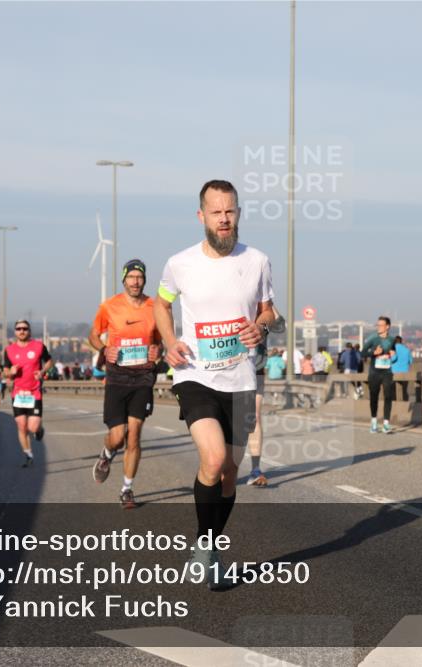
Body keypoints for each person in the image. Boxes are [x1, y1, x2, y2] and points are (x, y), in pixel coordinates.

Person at [154, 179, 275, 589]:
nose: (224, 219)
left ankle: (208, 547)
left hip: (240, 379)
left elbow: (269, 311)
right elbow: (161, 303)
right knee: (213, 458)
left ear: (238, 213)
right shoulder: (179, 263)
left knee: (229, 473)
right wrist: (170, 342)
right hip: (195, 375)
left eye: (231, 211)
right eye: (216, 212)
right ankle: (207, 548)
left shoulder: (257, 260)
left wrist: (260, 327)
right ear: (201, 216)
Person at [89, 259, 162, 509]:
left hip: (143, 378)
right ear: (124, 279)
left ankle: (126, 490)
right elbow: (93, 335)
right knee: (117, 437)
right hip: (117, 378)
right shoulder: (109, 306)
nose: (135, 281)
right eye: (131, 277)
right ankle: (106, 454)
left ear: (144, 280)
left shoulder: (155, 306)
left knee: (135, 437)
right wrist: (104, 348)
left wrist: (157, 351)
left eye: (139, 277)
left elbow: (161, 340)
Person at [4, 319, 54, 467]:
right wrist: (10, 372)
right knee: (21, 425)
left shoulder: (38, 346)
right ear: (15, 332)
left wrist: (43, 371)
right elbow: (6, 370)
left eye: (25, 328)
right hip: (18, 393)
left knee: (32, 427)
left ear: (29, 331)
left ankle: (39, 429)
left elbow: (49, 361)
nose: (22, 331)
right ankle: (28, 454)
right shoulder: (9, 350)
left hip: (34, 392)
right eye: (18, 328)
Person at [248, 308, 286, 488]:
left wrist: (268, 306)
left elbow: (280, 326)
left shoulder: (263, 308)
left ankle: (255, 469)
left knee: (254, 418)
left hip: (256, 370)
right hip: (227, 371)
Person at [361, 316, 397, 433]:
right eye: (377, 325)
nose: (378, 327)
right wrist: (373, 353)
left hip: (387, 372)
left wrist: (393, 355)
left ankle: (386, 424)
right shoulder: (372, 338)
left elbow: (394, 356)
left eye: (381, 325)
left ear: (387, 327)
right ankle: (374, 423)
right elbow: (362, 353)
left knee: (388, 396)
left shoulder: (392, 340)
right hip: (374, 373)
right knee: (374, 398)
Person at [391, 335, 413, 401]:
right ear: (401, 342)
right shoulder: (407, 350)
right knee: (404, 390)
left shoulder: (393, 349)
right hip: (405, 373)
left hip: (394, 373)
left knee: (393, 392)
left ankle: (395, 406)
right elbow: (410, 361)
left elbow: (393, 359)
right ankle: (404, 405)